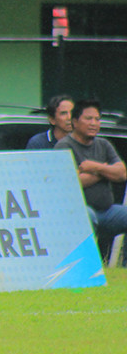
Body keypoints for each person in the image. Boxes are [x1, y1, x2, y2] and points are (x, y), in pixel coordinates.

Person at [55, 99, 127, 259]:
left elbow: (122, 174)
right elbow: (70, 183)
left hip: (107, 211)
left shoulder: (104, 144)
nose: (94, 123)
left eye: (97, 119)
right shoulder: (64, 146)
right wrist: (106, 171)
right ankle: (85, 266)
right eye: (88, 119)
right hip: (76, 210)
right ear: (75, 122)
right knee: (88, 217)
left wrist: (95, 168)